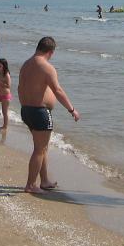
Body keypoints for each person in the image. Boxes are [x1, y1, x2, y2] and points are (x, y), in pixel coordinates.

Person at [17, 37, 79, 194]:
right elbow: (58, 91)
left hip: (26, 110)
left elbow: (20, 87)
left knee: (41, 147)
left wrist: (26, 106)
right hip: (39, 112)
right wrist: (71, 110)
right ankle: (30, 185)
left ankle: (44, 181)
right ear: (51, 52)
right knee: (40, 149)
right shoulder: (46, 67)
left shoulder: (26, 64)